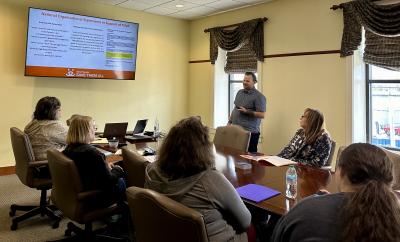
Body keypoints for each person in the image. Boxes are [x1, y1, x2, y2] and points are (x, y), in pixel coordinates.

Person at [145, 117, 251, 242]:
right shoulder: (211, 180)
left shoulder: (151, 170)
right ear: (204, 148)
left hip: (167, 234)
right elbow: (245, 221)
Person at [271, 143, 400, 242]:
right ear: (389, 179)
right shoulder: (395, 215)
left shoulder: (305, 211)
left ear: (341, 172)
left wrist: (321, 203)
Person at [62, 115, 125, 202]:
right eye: (94, 127)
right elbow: (109, 181)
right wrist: (117, 170)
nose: (95, 130)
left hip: (83, 188)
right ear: (86, 131)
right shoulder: (92, 153)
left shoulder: (69, 148)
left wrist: (105, 167)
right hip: (96, 197)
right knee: (125, 180)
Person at [228, 72, 266, 153]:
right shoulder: (239, 92)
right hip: (236, 131)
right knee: (235, 156)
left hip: (250, 133)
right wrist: (229, 122)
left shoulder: (259, 96)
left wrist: (247, 112)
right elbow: (235, 108)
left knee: (249, 159)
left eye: (247, 81)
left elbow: (262, 115)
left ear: (254, 82)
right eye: (244, 80)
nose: (244, 82)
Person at [24, 96, 68, 161]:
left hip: (37, 160)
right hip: (51, 164)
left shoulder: (32, 124)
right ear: (51, 111)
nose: (60, 111)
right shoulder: (54, 126)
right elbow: (76, 140)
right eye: (58, 109)